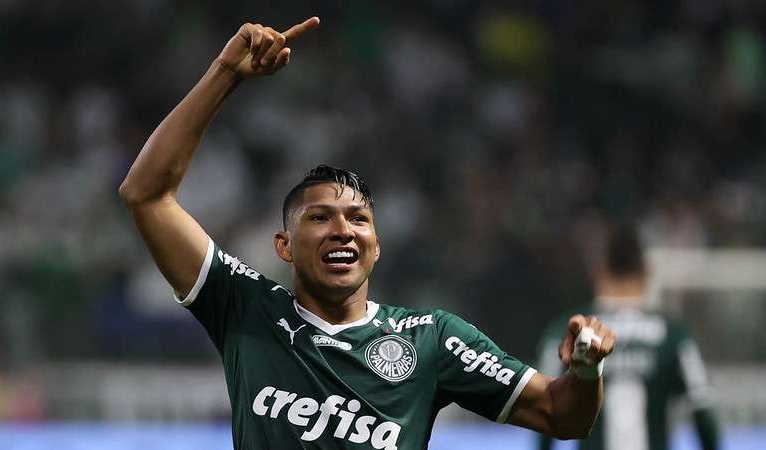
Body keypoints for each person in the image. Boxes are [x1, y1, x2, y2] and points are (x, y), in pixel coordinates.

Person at [119, 16, 616, 449]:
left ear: (377, 247)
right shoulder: (246, 310)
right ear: (284, 246)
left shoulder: (431, 340)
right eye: (319, 218)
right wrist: (225, 74)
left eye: (359, 220)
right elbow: (146, 193)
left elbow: (562, 415)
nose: (343, 231)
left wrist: (586, 369)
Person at [536, 224, 720, 450]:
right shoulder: (674, 334)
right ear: (646, 271)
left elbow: (543, 407)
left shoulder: (568, 331)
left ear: (600, 271)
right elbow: (703, 410)